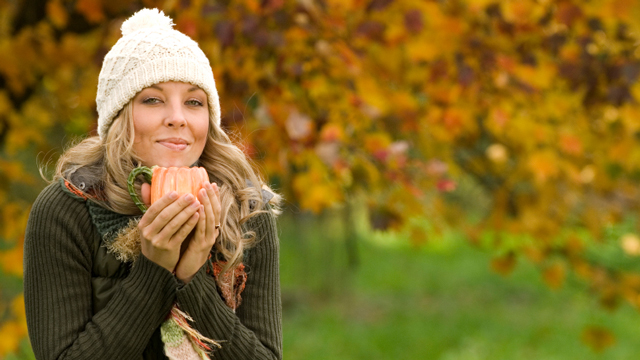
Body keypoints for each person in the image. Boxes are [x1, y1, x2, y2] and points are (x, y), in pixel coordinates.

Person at [23, 8, 282, 360]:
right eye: (153, 99)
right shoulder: (67, 209)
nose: (177, 118)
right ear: (118, 116)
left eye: (194, 102)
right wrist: (154, 268)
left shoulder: (247, 209)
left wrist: (192, 276)